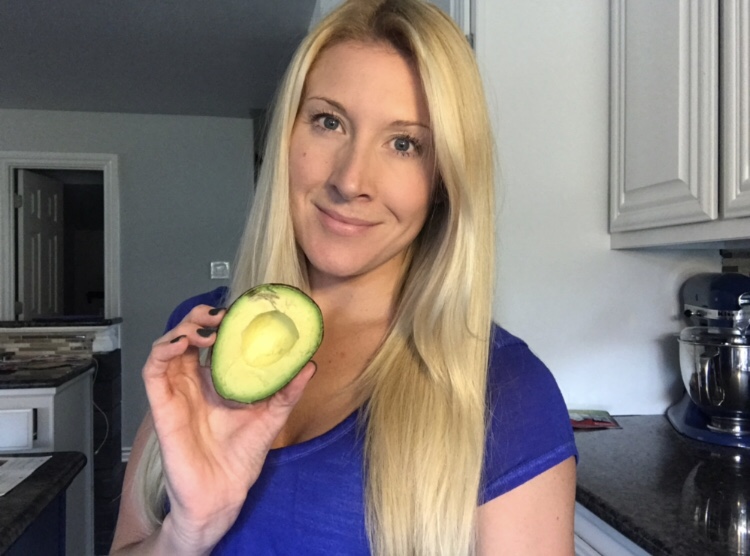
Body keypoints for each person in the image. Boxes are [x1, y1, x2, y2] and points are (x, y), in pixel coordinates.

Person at [110, 0, 578, 554]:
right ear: (287, 137)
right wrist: (187, 531)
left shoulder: (508, 394)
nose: (351, 180)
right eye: (329, 122)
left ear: (444, 181)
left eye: (405, 144)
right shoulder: (202, 334)